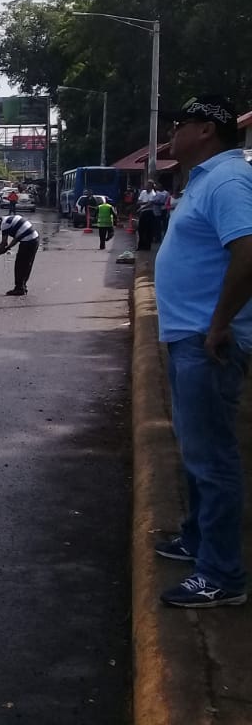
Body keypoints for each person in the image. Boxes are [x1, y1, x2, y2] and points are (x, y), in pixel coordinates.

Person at [153, 94, 252, 608]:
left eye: (181, 123)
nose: (172, 131)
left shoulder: (229, 180)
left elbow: (248, 251)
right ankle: (196, 540)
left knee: (212, 459)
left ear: (207, 130)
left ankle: (221, 575)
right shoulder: (205, 181)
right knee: (196, 452)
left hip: (206, 341)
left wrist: (218, 325)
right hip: (189, 336)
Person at [0, 214, 40, 296]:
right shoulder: (10, 219)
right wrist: (4, 248)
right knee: (27, 265)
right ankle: (23, 286)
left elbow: (4, 243)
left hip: (28, 241)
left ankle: (19, 289)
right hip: (35, 239)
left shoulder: (4, 224)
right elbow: (15, 239)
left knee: (19, 265)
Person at [136, 179, 164, 251]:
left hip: (149, 212)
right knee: (140, 230)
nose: (147, 186)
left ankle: (147, 247)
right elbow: (139, 202)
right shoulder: (143, 192)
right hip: (143, 212)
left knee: (149, 231)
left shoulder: (153, 194)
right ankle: (140, 246)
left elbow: (150, 204)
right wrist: (146, 203)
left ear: (151, 186)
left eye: (149, 185)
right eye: (147, 184)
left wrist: (141, 207)